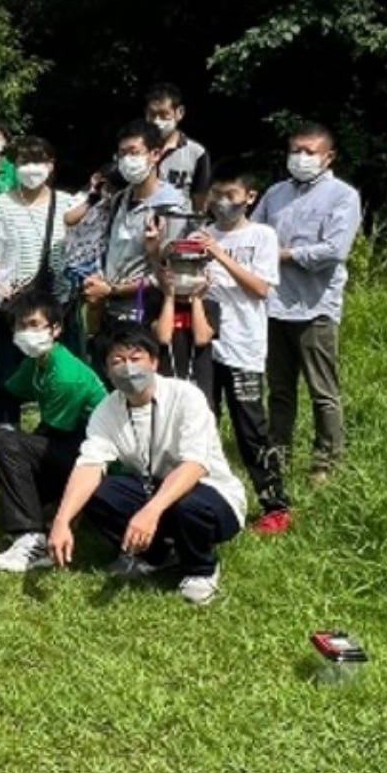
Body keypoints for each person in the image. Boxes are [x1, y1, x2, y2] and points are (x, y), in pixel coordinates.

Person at [47, 324, 246, 606]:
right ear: (106, 370)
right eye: (117, 361)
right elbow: (89, 465)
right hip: (153, 488)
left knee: (187, 504)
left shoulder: (186, 396)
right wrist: (62, 520)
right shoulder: (107, 410)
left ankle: (201, 568)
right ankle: (156, 555)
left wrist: (150, 511)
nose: (127, 368)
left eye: (135, 358)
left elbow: (195, 465)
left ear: (154, 362)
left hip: (209, 493)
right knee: (97, 493)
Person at [0, 294, 106, 573]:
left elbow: (55, 436)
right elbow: (4, 397)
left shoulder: (66, 376)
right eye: (19, 326)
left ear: (56, 329)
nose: (25, 332)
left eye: (33, 324)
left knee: (5, 445)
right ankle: (35, 505)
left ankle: (31, 536)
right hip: (64, 447)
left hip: (91, 459)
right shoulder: (37, 362)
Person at [252, 121, 361, 486]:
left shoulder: (343, 196)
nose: (300, 158)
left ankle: (326, 463)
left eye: (309, 152)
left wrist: (282, 254)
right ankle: (278, 456)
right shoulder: (276, 193)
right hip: (274, 304)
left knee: (322, 391)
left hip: (316, 306)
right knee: (280, 390)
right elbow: (253, 234)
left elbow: (334, 250)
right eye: (295, 150)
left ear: (328, 157)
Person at [198, 165, 289, 533]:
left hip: (244, 348)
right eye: (217, 196)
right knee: (202, 425)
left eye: (231, 196)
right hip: (205, 346)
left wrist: (219, 255)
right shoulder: (201, 234)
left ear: (249, 197)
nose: (222, 203)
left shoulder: (262, 236)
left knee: (251, 429)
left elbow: (261, 289)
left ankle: (275, 504)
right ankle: (208, 497)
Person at [0, 136, 70, 426]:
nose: (32, 168)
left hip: (57, 302)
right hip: (14, 305)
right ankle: (6, 428)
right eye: (25, 161)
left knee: (55, 370)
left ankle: (57, 428)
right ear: (14, 166)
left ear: (51, 166)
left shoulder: (67, 204)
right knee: (10, 372)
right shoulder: (0, 206)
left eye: (39, 161)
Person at [77, 121, 187, 352]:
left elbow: (168, 274)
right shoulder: (119, 200)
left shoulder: (173, 206)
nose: (128, 160)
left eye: (134, 153)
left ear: (155, 155)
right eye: (122, 154)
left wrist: (114, 290)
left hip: (147, 313)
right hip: (110, 311)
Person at [148, 252, 220, 410]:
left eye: (191, 270)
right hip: (166, 382)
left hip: (199, 382)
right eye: (179, 270)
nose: (184, 277)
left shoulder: (209, 305)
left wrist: (197, 299)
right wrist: (169, 296)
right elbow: (163, 337)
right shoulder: (156, 302)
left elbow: (201, 338)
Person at [145, 82, 211, 212]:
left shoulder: (196, 153)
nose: (157, 121)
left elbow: (200, 204)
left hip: (177, 230)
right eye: (152, 114)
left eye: (164, 114)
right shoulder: (136, 151)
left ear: (179, 113)